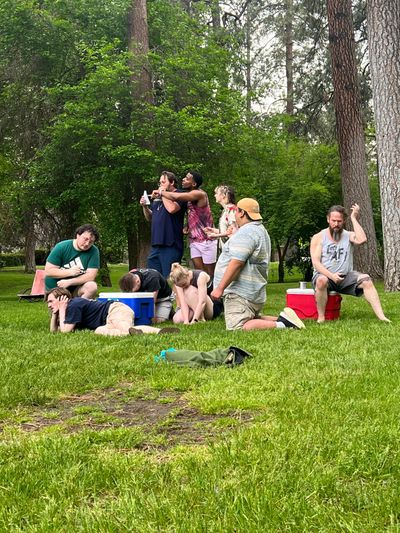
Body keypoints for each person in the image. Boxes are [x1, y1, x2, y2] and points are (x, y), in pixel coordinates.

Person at [211, 198, 305, 331]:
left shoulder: (246, 233)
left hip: (240, 292)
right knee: (250, 318)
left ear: (242, 213)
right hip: (252, 291)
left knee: (237, 327)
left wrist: (220, 288)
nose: (235, 215)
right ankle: (284, 319)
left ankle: (284, 324)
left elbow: (237, 263)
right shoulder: (261, 230)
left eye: (236, 211)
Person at [310, 203, 390, 323]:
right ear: (328, 219)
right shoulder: (319, 237)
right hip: (325, 276)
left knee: (366, 280)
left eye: (339, 221)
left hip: (345, 276)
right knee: (322, 280)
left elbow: (362, 239)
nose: (336, 224)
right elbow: (316, 263)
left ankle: (382, 317)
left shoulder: (348, 235)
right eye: (333, 221)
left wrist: (354, 218)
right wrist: (331, 276)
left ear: (344, 221)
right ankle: (321, 317)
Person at [46, 287, 180, 336]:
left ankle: (159, 332)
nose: (49, 305)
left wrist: (62, 310)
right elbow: (55, 332)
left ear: (62, 299)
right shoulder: (67, 309)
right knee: (99, 331)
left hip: (115, 310)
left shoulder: (74, 305)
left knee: (124, 328)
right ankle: (134, 334)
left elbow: (65, 331)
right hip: (106, 321)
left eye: (51, 301)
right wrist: (54, 315)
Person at [159, 171, 217, 277]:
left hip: (206, 240)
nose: (183, 179)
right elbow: (193, 215)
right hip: (194, 240)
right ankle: (203, 293)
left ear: (194, 184)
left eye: (187, 178)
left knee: (210, 274)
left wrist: (161, 192)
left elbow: (175, 197)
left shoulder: (199, 194)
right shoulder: (189, 198)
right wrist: (188, 226)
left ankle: (213, 292)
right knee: (200, 273)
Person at [140, 171, 186, 278]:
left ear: (172, 182)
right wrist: (145, 206)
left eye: (163, 182)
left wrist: (163, 194)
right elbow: (150, 217)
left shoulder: (180, 194)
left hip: (171, 244)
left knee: (170, 279)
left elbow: (172, 209)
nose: (160, 185)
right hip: (156, 245)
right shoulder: (158, 199)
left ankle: (174, 295)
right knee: (153, 279)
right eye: (160, 182)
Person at [44, 224, 100, 299]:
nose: (87, 244)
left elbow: (91, 276)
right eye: (85, 239)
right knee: (63, 309)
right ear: (78, 235)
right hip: (56, 288)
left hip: (76, 288)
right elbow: (49, 271)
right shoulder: (61, 247)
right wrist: (70, 272)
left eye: (91, 242)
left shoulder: (94, 251)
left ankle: (80, 306)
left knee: (92, 286)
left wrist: (70, 282)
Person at [204, 185, 238, 250]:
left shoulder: (231, 210)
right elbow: (227, 231)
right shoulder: (226, 210)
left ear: (223, 195)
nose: (215, 195)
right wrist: (214, 230)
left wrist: (215, 235)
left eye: (216, 193)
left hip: (232, 250)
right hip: (227, 249)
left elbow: (233, 231)